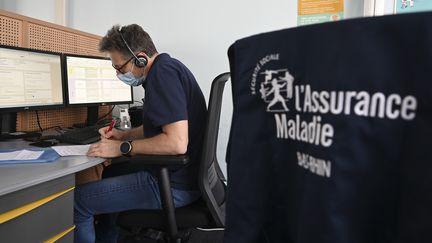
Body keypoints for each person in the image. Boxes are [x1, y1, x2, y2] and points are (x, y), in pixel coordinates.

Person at [74, 24, 207, 243]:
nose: (118, 74)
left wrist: (121, 148)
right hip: (182, 177)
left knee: (79, 202)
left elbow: (176, 143)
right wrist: (123, 136)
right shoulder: (168, 68)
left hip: (173, 185)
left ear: (141, 59)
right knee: (110, 174)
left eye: (120, 68)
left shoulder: (162, 75)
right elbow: (161, 127)